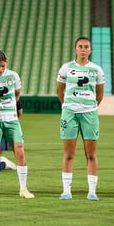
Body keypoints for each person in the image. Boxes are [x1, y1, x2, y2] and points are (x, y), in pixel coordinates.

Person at [0, 50, 34, 199]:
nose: (1, 69)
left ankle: (23, 189)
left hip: (11, 120)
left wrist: (12, 107)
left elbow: (17, 94)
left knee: (20, 151)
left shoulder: (13, 76)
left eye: (3, 66)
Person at [56, 37, 105, 201]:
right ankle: (66, 191)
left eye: (86, 47)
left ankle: (92, 192)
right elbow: (60, 92)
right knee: (69, 153)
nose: (83, 49)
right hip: (69, 113)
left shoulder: (96, 70)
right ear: (75, 49)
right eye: (80, 46)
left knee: (91, 154)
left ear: (90, 50)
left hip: (89, 113)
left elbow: (99, 94)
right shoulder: (66, 68)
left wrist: (89, 106)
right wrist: (69, 106)